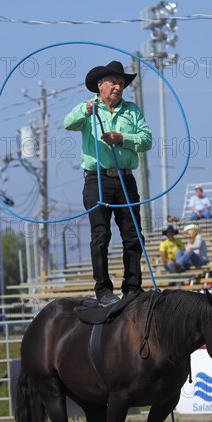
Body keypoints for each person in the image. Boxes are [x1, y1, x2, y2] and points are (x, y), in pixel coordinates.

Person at [64, 61, 152, 306]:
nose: (118, 87)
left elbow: (146, 140)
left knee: (133, 235)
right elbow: (67, 123)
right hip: (97, 179)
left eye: (121, 83)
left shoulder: (132, 111)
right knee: (100, 235)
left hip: (125, 178)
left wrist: (121, 137)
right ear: (100, 86)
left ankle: (133, 288)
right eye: (113, 82)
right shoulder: (88, 108)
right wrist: (85, 111)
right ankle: (103, 290)